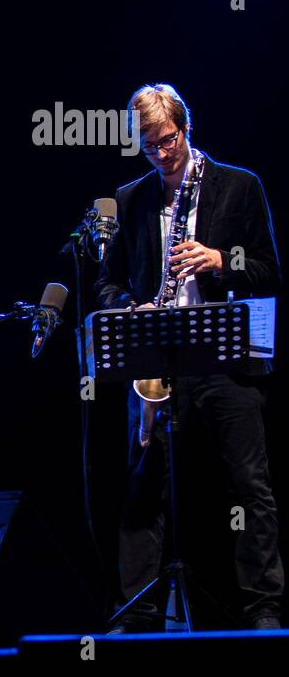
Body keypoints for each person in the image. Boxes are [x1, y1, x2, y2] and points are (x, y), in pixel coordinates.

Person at [96, 82, 282, 631]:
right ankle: (140, 613)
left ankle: (265, 610)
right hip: (158, 358)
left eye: (169, 141)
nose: (162, 155)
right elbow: (108, 282)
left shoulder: (240, 187)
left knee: (248, 485)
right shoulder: (131, 198)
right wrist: (128, 307)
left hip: (225, 359)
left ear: (187, 127)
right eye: (150, 146)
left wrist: (220, 259)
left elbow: (269, 272)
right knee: (141, 485)